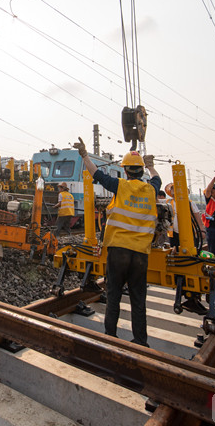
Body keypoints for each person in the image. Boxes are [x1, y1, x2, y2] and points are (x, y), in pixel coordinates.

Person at [73, 137, 160, 347]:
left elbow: (97, 174)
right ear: (140, 171)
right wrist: (151, 166)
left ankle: (110, 337)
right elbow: (157, 179)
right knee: (139, 299)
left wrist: (85, 155)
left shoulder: (120, 186)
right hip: (140, 253)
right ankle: (140, 341)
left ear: (126, 171)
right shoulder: (151, 190)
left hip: (118, 250)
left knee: (114, 296)